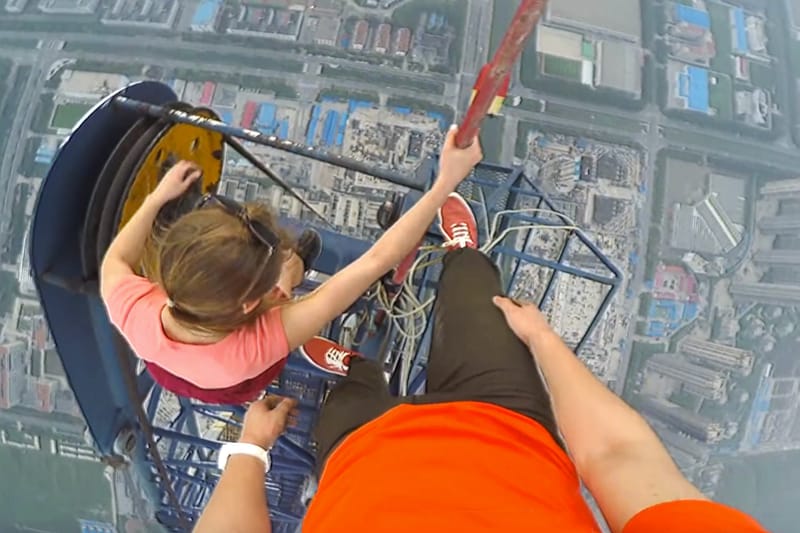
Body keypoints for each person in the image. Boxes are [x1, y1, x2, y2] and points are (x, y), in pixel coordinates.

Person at [194, 194, 768, 533]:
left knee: (356, 382)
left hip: (360, 456)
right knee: (475, 297)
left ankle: (354, 365)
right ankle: (462, 252)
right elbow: (619, 457)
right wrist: (542, 341)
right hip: (504, 428)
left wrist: (251, 448)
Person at [100, 126, 482, 404]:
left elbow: (116, 260)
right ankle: (294, 271)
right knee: (291, 281)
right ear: (252, 303)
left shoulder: (130, 308)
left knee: (292, 295)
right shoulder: (257, 345)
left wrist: (156, 199)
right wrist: (445, 183)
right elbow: (377, 259)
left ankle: (298, 283)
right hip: (236, 375)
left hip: (183, 374)